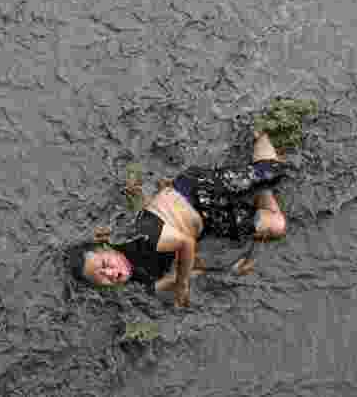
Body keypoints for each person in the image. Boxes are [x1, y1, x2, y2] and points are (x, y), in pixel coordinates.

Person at [67, 131, 290, 307]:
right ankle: (260, 189)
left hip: (197, 191)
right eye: (102, 278)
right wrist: (230, 270)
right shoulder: (148, 285)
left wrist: (182, 286)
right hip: (209, 223)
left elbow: (186, 244)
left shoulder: (139, 231)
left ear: (108, 248)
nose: (111, 273)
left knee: (275, 171)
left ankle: (258, 131)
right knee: (278, 226)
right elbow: (195, 270)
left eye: (105, 264)